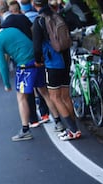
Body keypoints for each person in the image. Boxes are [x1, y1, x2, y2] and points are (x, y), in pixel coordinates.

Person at [0, 14, 60, 141]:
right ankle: (58, 121)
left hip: (24, 65)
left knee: (21, 97)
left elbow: (3, 64)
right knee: (44, 92)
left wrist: (6, 83)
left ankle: (25, 129)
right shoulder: (12, 29)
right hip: (37, 60)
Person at [32, 0, 81, 140]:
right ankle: (74, 128)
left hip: (52, 63)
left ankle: (72, 130)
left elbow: (36, 47)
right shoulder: (57, 15)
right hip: (66, 59)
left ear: (35, 5)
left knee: (55, 97)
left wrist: (38, 61)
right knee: (66, 96)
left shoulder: (39, 22)